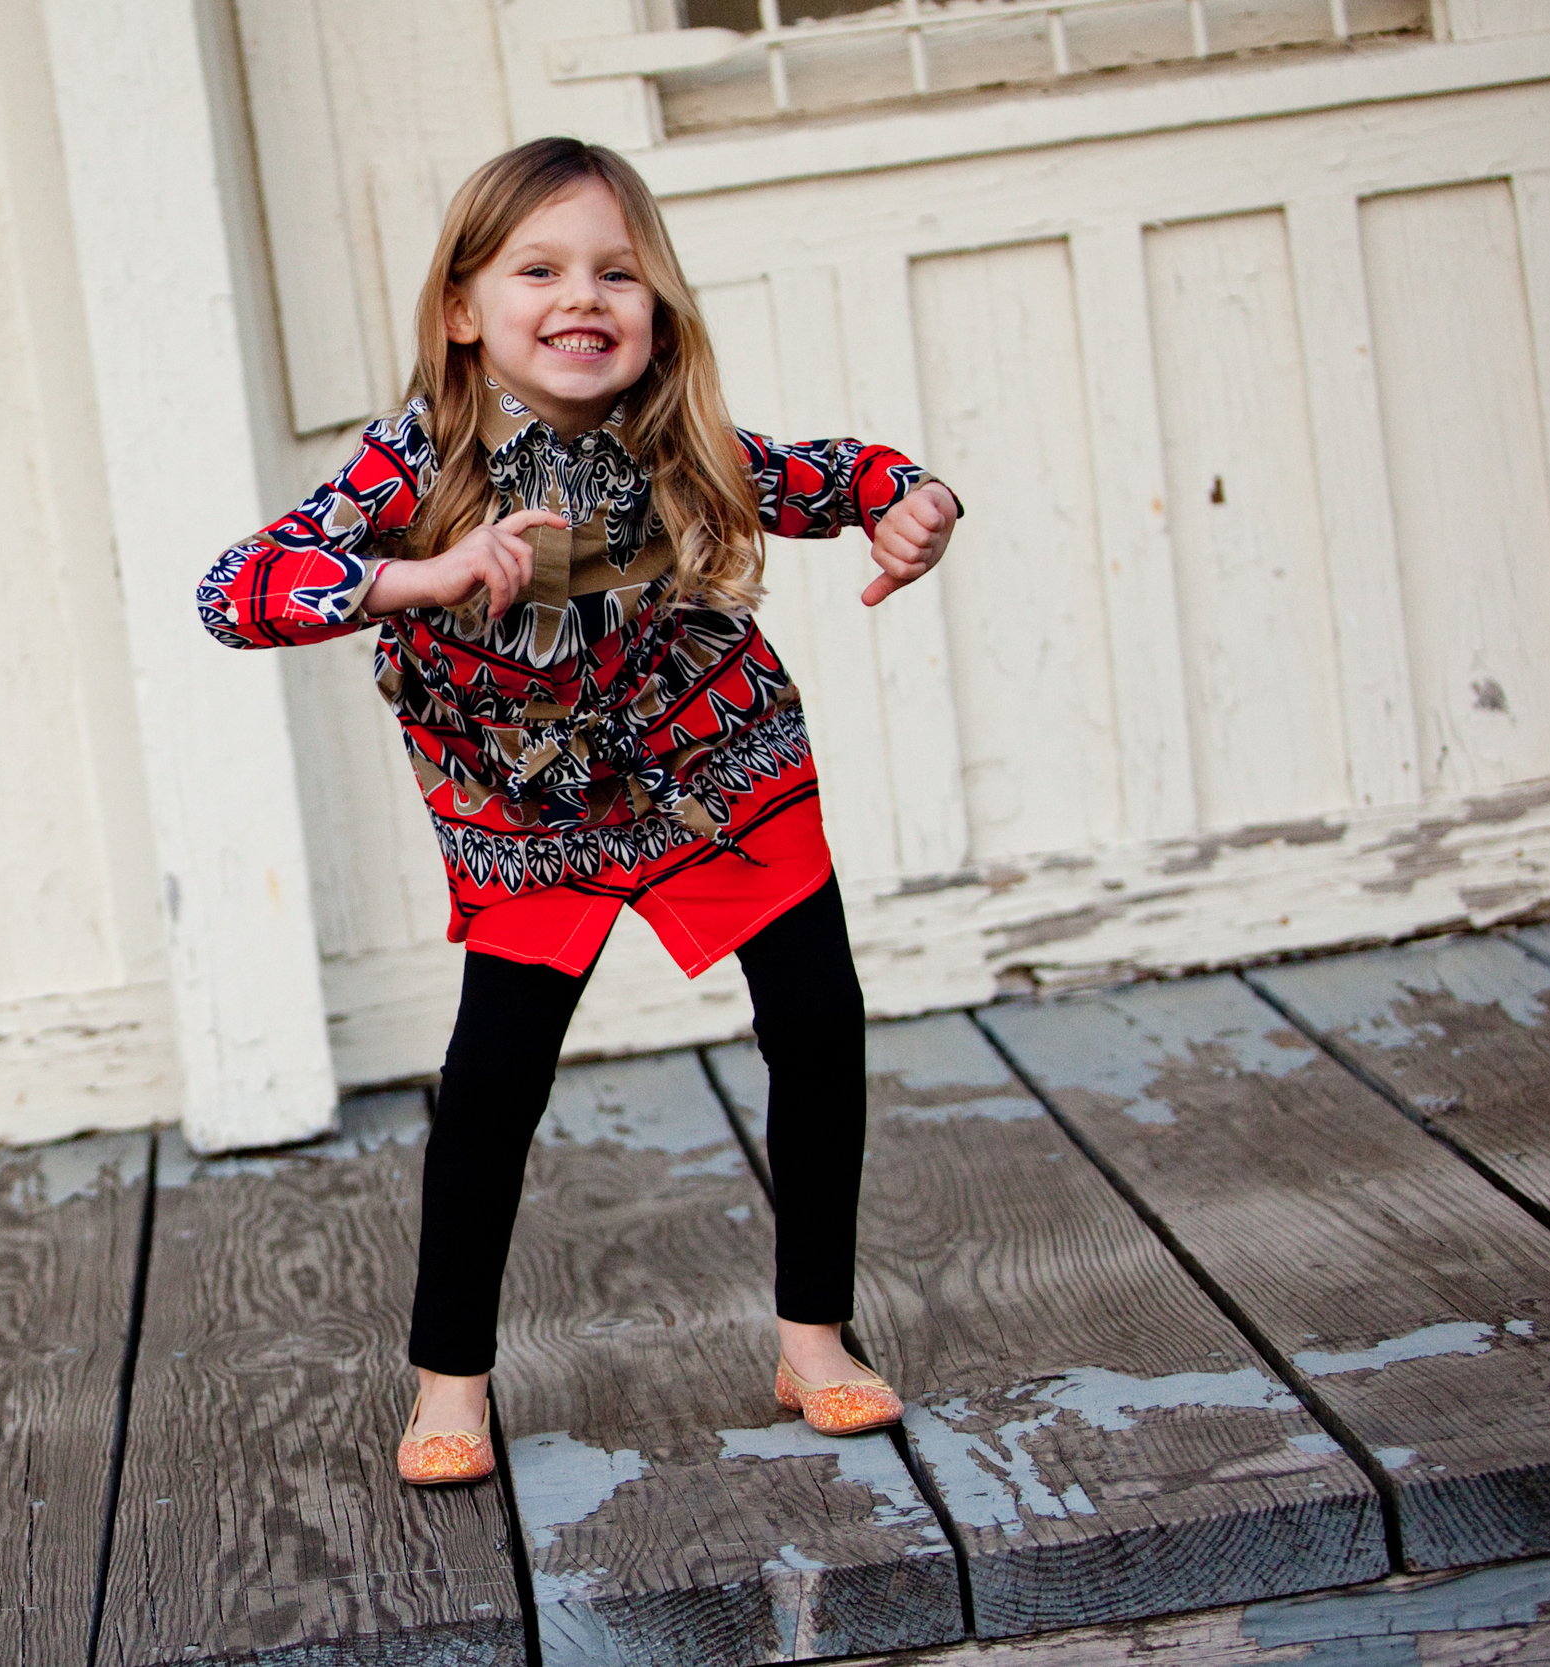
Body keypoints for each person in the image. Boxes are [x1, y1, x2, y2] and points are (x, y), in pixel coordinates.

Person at [196, 136, 960, 1484]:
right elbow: (237, 590)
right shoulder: (414, 463)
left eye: (618, 271)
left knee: (817, 1019)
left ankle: (815, 1339)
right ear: (463, 309)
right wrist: (411, 581)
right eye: (538, 268)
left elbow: (828, 475)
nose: (582, 297)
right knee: (495, 1078)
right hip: (528, 804)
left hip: (711, 764)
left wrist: (912, 498)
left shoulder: (677, 443)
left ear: (658, 307)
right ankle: (451, 1379)